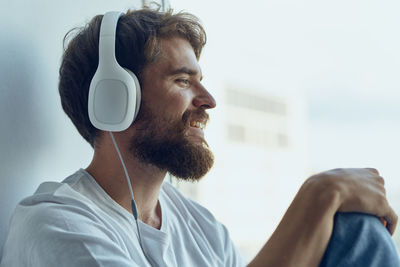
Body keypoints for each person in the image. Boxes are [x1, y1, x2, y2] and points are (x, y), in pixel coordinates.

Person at [1, 7, 399, 267]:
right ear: (115, 98)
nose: (207, 101)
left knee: (353, 228)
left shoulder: (201, 227)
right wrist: (320, 193)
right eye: (182, 80)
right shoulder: (56, 226)